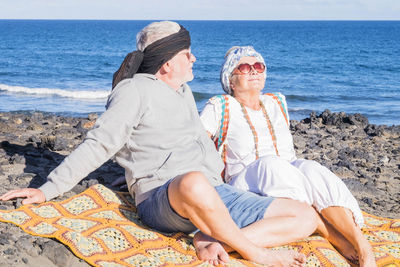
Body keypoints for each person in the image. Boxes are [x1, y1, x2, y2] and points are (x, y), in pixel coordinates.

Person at [0, 21, 325, 267]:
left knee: (305, 216)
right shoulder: (133, 91)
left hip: (212, 194)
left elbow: (192, 140)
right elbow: (99, 144)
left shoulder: (182, 91)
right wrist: (48, 189)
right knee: (194, 183)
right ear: (167, 62)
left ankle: (213, 239)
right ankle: (256, 253)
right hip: (164, 198)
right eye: (187, 53)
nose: (194, 58)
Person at [199, 45, 377, 267]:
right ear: (230, 80)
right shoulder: (220, 106)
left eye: (258, 66)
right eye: (245, 67)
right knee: (270, 165)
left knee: (310, 167)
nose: (254, 70)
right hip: (244, 185)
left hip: (286, 177)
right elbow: (196, 145)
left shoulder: (277, 102)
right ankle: (327, 231)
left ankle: (362, 245)